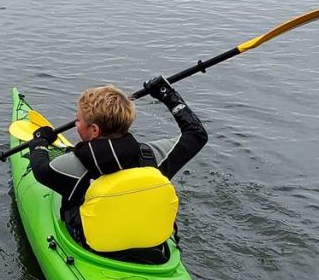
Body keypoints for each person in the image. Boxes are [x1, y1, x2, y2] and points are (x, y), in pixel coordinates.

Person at [27, 79, 207, 252]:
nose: (75, 124)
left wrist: (38, 143)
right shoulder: (154, 157)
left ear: (94, 130)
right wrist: (166, 93)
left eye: (78, 120)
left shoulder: (71, 165)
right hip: (151, 248)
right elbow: (197, 134)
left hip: (95, 248)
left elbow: (40, 170)